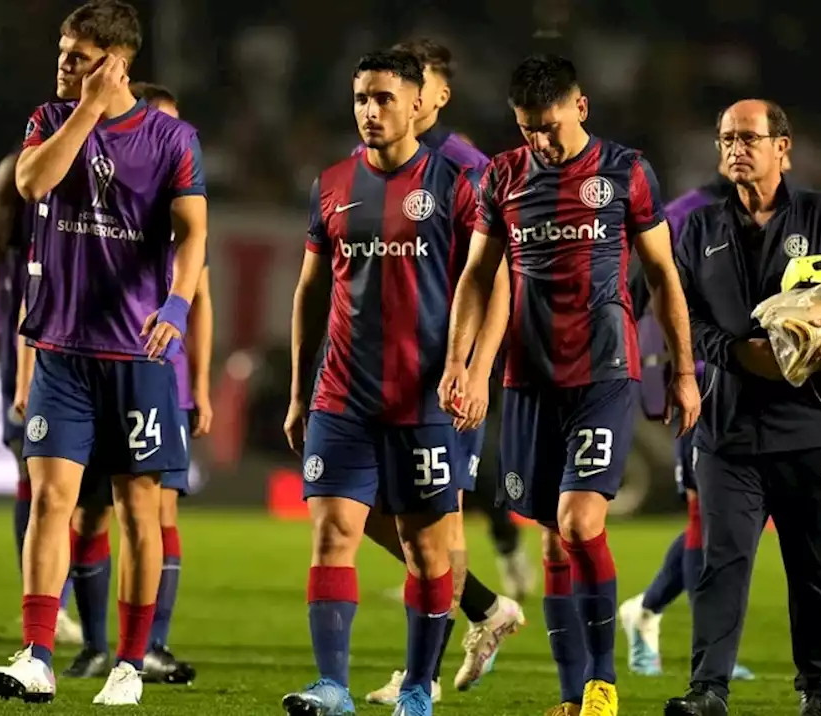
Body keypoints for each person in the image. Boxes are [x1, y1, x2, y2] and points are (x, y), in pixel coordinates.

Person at [441, 54, 701, 716]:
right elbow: (477, 278)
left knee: (580, 522)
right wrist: (459, 362)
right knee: (554, 537)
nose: (542, 142)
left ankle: (602, 684)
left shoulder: (625, 171)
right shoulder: (501, 177)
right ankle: (570, 692)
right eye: (529, 129)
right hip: (529, 380)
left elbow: (664, 275)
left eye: (551, 126)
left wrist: (684, 368)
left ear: (580, 107)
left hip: (604, 372)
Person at [0, 0, 208, 706]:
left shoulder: (173, 139)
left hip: (136, 354)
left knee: (139, 509)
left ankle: (130, 662)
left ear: (117, 63)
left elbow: (194, 233)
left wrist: (175, 304)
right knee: (52, 500)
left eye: (78, 57)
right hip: (60, 349)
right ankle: (39, 654)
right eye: (62, 52)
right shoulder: (49, 122)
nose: (63, 66)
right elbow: (31, 184)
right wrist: (86, 109)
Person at [281, 49, 507, 716]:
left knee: (427, 549)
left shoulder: (457, 183)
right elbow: (310, 290)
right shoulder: (332, 184)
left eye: (382, 98)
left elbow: (496, 283)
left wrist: (476, 370)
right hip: (342, 394)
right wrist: (299, 391)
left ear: (418, 104)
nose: (370, 111)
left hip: (427, 398)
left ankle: (416, 689)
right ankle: (331, 687)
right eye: (360, 99)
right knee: (331, 535)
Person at [664, 100, 821, 716]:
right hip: (728, 427)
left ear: (783, 148)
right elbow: (680, 314)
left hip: (812, 425)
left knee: (814, 568)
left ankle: (816, 692)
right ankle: (708, 690)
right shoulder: (700, 228)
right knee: (722, 562)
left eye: (748, 137)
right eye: (726, 138)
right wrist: (735, 354)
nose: (735, 148)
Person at [350, 39, 525, 706]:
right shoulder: (382, 169)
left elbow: (494, 275)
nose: (405, 100)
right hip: (393, 374)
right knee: (374, 510)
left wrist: (475, 368)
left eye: (418, 89)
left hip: (445, 377)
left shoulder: (461, 166)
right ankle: (481, 609)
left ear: (436, 97)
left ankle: (420, 670)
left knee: (435, 524)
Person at [60, 82, 209, 685]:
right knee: (87, 514)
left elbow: (202, 302)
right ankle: (96, 643)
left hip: (158, 379)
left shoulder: (183, 210)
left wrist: (195, 383)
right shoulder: (110, 209)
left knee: (154, 511)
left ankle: (149, 645)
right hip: (94, 364)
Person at [618, 165, 755, 682]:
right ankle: (709, 650)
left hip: (748, 381)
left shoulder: (775, 216)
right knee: (707, 516)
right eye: (732, 142)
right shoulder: (684, 212)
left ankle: (647, 609)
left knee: (735, 520)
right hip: (697, 380)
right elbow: (638, 282)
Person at [0, 151, 84, 647]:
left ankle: (66, 606)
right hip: (30, 339)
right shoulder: (19, 170)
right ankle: (50, 605)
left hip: (95, 339)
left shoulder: (112, 163)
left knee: (83, 484)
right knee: (34, 471)